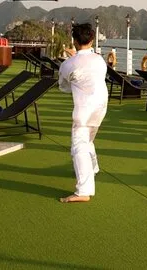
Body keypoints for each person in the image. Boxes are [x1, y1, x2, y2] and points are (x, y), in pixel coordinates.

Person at [58, 23, 108, 203]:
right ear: (92, 40)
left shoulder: (68, 64)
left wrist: (72, 61)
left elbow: (63, 87)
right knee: (88, 140)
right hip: (101, 107)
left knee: (79, 145)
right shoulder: (100, 60)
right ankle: (93, 168)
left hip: (84, 109)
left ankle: (83, 191)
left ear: (74, 41)